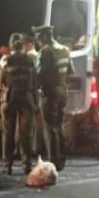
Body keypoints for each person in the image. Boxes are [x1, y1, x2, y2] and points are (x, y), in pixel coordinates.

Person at [32, 25, 74, 171]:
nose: (37, 42)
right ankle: (61, 158)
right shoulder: (64, 50)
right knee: (58, 125)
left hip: (49, 94)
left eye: (38, 38)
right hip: (62, 92)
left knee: (50, 127)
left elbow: (38, 75)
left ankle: (53, 161)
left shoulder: (45, 52)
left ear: (43, 37)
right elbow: (70, 71)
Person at [0, 33, 37, 175]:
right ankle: (27, 165)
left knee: (8, 132)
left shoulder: (5, 60)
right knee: (26, 134)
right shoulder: (31, 59)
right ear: (22, 45)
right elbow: (36, 82)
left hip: (9, 100)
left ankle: (7, 165)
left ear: (10, 45)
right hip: (27, 99)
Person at [23, 34, 45, 157]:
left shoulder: (30, 57)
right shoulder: (38, 55)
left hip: (32, 91)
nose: (23, 47)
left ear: (30, 44)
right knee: (38, 121)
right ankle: (38, 147)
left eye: (25, 44)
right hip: (38, 91)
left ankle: (34, 148)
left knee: (32, 121)